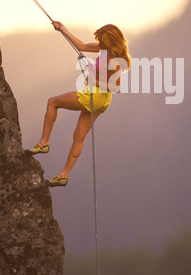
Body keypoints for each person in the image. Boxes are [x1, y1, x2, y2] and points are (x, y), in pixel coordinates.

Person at [28, 22, 131, 187]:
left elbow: (117, 87)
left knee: (52, 102)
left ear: (111, 42)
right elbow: (81, 46)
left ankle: (43, 143)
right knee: (78, 136)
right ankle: (63, 176)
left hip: (95, 96)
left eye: (103, 42)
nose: (100, 44)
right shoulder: (105, 50)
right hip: (101, 101)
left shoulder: (115, 61)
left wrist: (93, 79)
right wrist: (62, 29)